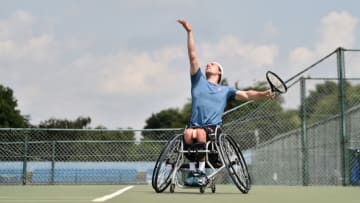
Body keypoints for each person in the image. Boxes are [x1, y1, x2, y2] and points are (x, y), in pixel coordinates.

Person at [177, 19, 274, 186]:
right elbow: (193, 56)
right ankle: (193, 172)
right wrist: (189, 32)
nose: (208, 65)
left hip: (212, 129)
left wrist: (262, 93)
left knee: (199, 134)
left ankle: (199, 173)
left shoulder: (226, 90)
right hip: (194, 125)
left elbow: (246, 94)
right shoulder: (198, 81)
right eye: (208, 64)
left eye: (212, 64)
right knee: (188, 134)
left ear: (219, 72)